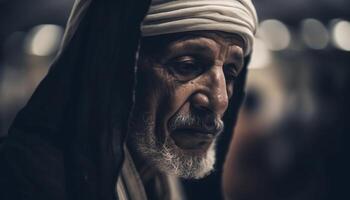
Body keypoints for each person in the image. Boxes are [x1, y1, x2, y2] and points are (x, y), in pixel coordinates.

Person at [0, 0, 257, 200]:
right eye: (187, 66)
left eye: (230, 73)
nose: (219, 100)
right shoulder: (20, 179)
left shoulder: (175, 182)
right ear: (118, 70)